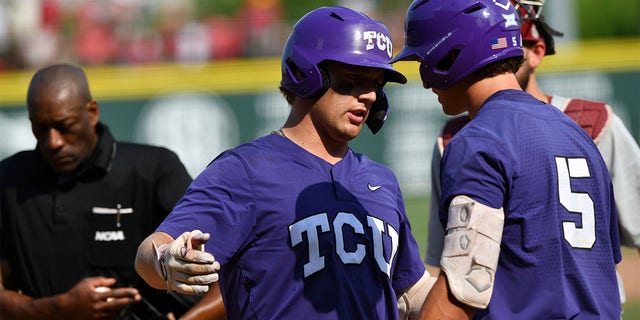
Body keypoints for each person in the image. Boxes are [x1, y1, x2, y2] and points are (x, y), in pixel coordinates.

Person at [135, 6, 435, 320]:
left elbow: (409, 292)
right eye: (352, 80)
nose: (369, 96)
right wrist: (167, 261)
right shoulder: (245, 170)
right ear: (306, 74)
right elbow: (151, 251)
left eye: (375, 83)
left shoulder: (381, 179)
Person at [391, 0, 621, 318]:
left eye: (423, 58)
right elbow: (605, 266)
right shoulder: (576, 135)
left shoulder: (479, 140)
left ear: (451, 55)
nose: (424, 77)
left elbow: (464, 285)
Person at [0, 63, 225, 319]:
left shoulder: (153, 170)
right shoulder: (9, 180)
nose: (54, 142)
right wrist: (60, 308)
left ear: (92, 112)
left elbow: (230, 270)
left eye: (65, 126)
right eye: (40, 128)